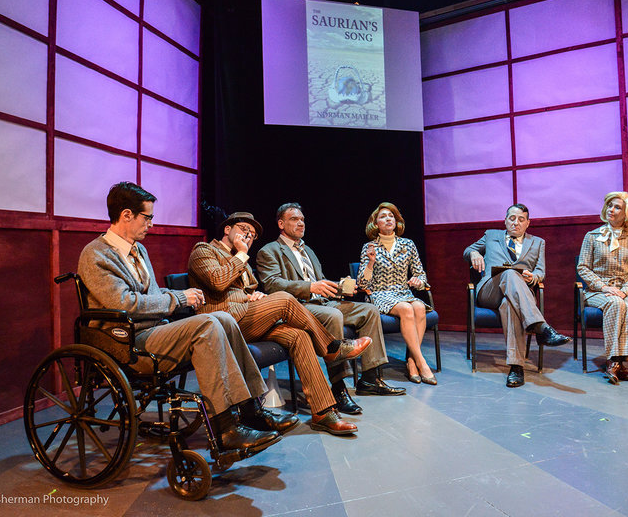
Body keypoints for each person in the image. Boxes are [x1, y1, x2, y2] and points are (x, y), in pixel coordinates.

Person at [77, 182, 294, 455]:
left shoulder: (138, 250)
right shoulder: (96, 254)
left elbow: (150, 293)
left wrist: (183, 292)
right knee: (206, 325)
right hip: (127, 339)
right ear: (127, 215)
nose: (151, 224)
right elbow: (126, 303)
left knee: (222, 318)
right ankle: (225, 428)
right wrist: (179, 299)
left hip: (154, 330)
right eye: (148, 217)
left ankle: (252, 410)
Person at [187, 211, 373, 436]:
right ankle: (331, 348)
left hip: (247, 317)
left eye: (253, 235)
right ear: (228, 229)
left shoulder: (241, 260)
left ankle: (324, 413)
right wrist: (243, 254)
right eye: (245, 230)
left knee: (299, 336)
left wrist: (253, 296)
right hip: (222, 323)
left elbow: (248, 288)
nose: (249, 236)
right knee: (285, 299)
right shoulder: (204, 251)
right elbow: (218, 282)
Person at [256, 203, 405, 416]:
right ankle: (338, 388)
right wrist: (309, 287)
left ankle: (370, 379)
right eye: (294, 219)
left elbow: (320, 283)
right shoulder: (269, 251)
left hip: (323, 303)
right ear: (281, 224)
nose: (300, 223)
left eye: (302, 220)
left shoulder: (308, 250)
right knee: (333, 315)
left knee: (369, 310)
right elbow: (272, 285)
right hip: (298, 307)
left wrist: (342, 288)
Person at [462, 204, 571, 388]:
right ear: (505, 220)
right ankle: (541, 328)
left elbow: (540, 272)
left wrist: (533, 277)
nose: (516, 222)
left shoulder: (537, 242)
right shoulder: (491, 235)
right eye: (512, 218)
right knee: (510, 273)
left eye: (521, 219)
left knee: (509, 304)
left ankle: (516, 368)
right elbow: (466, 251)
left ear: (528, 223)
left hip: (517, 294)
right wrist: (473, 253)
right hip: (490, 291)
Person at [356, 202, 436, 385]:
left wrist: (418, 281)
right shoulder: (369, 247)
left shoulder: (408, 244)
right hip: (379, 293)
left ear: (396, 221)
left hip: (403, 292)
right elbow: (362, 283)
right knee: (408, 310)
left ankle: (410, 360)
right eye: (383, 216)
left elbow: (420, 274)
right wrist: (370, 263)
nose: (388, 219)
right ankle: (421, 362)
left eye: (391, 216)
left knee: (419, 307)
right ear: (376, 224)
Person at [577, 191, 628, 385]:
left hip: (625, 290)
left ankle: (623, 361)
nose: (611, 210)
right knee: (616, 304)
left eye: (617, 207)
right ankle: (612, 360)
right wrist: (604, 287)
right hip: (597, 291)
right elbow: (582, 267)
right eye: (610, 205)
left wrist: (625, 290)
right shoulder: (592, 236)